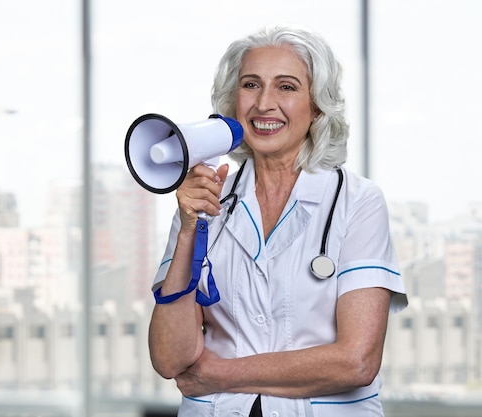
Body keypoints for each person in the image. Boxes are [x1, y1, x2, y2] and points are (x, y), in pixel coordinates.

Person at [148, 24, 408, 417]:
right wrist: (188, 232)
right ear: (233, 102)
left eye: (286, 87)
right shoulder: (204, 202)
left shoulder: (357, 202)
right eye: (251, 85)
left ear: (317, 106)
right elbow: (170, 359)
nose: (264, 104)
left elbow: (356, 361)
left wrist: (220, 373)